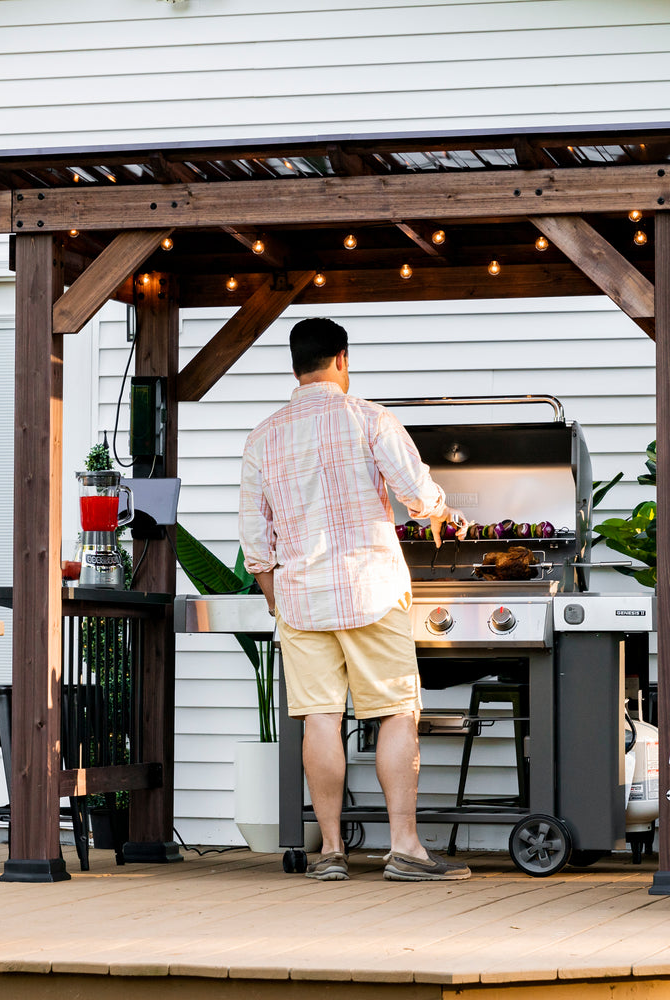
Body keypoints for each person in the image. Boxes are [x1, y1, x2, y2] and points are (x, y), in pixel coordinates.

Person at [238, 317, 471, 882]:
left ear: (295, 365)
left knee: (319, 718)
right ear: (341, 359)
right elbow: (417, 494)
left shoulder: (263, 435)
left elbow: (255, 539)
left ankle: (332, 852)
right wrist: (444, 514)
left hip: (301, 600)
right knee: (395, 711)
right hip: (371, 591)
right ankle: (405, 848)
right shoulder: (369, 418)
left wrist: (277, 598)